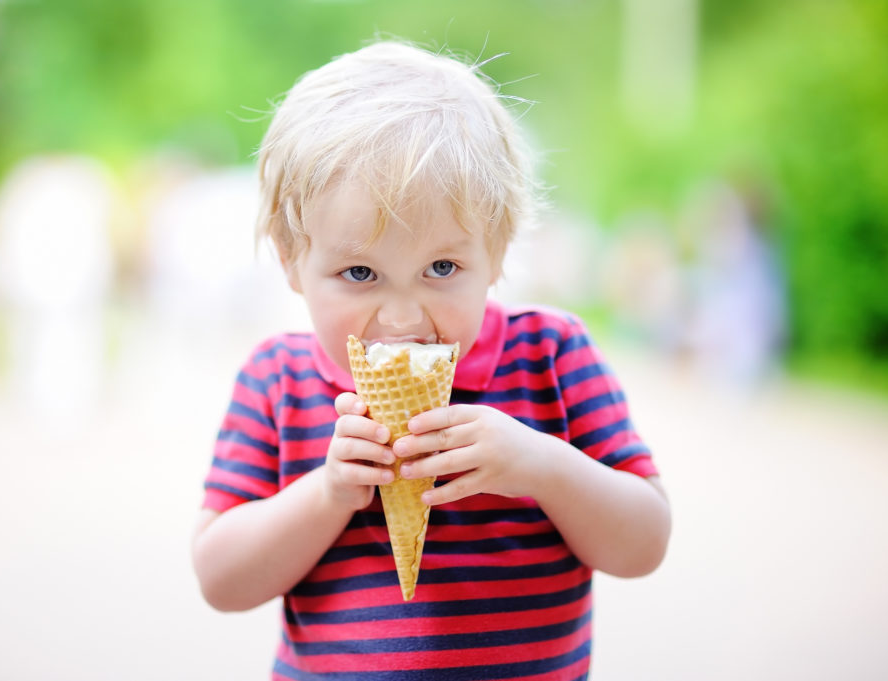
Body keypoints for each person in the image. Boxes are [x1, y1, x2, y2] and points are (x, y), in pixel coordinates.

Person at [191, 41, 671, 680]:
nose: (402, 318)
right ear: (291, 262)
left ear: (497, 252)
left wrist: (543, 465)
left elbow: (643, 544)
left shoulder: (551, 356)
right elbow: (222, 580)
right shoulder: (277, 381)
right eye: (359, 271)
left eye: (441, 268)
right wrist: (328, 493)